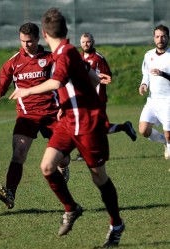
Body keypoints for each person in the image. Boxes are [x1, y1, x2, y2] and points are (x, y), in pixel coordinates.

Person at [9, 8, 124, 248]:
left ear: (43, 33)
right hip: (68, 120)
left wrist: (28, 90)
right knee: (47, 166)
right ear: (66, 30)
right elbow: (93, 79)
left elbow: (57, 81)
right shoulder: (68, 52)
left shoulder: (66, 53)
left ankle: (116, 223)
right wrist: (68, 101)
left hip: (87, 124)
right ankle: (71, 208)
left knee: (98, 177)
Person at [0, 22, 70, 209]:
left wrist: (64, 107)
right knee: (18, 154)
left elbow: (64, 83)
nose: (25, 44)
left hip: (52, 114)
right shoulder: (14, 62)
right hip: (27, 116)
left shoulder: (51, 58)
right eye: (22, 41)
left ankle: (64, 165)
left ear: (37, 39)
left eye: (29, 41)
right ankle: (10, 194)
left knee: (63, 156)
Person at [73, 32, 137, 161]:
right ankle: (124, 127)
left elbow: (108, 77)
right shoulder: (78, 58)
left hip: (98, 99)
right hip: (83, 100)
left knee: (99, 128)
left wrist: (99, 79)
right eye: (83, 42)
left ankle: (88, 153)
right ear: (80, 43)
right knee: (84, 126)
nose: (86, 44)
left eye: (88, 41)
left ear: (93, 42)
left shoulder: (98, 59)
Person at [139, 24, 170, 160]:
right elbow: (146, 73)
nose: (160, 39)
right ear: (154, 38)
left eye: (163, 36)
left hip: (168, 100)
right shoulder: (148, 55)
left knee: (169, 135)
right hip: (152, 100)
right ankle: (164, 141)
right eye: (157, 36)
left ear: (168, 38)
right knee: (144, 130)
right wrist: (144, 84)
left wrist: (162, 73)